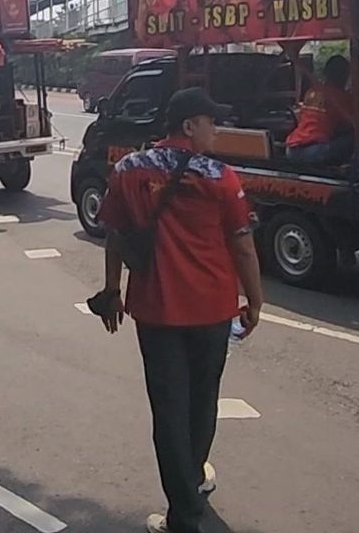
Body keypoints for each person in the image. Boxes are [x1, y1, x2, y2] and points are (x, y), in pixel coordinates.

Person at [91, 87, 263, 533]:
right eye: (212, 122)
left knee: (169, 411)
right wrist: (255, 300)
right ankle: (188, 500)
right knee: (202, 400)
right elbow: (242, 246)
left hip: (156, 313)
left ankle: (184, 505)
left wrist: (112, 290)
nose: (217, 131)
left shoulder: (127, 169)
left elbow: (115, 233)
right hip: (212, 310)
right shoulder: (220, 176)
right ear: (189, 126)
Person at [286, 54, 353, 166]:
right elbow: (354, 123)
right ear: (344, 76)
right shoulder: (342, 96)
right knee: (355, 139)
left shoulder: (311, 91)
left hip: (291, 150)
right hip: (314, 152)